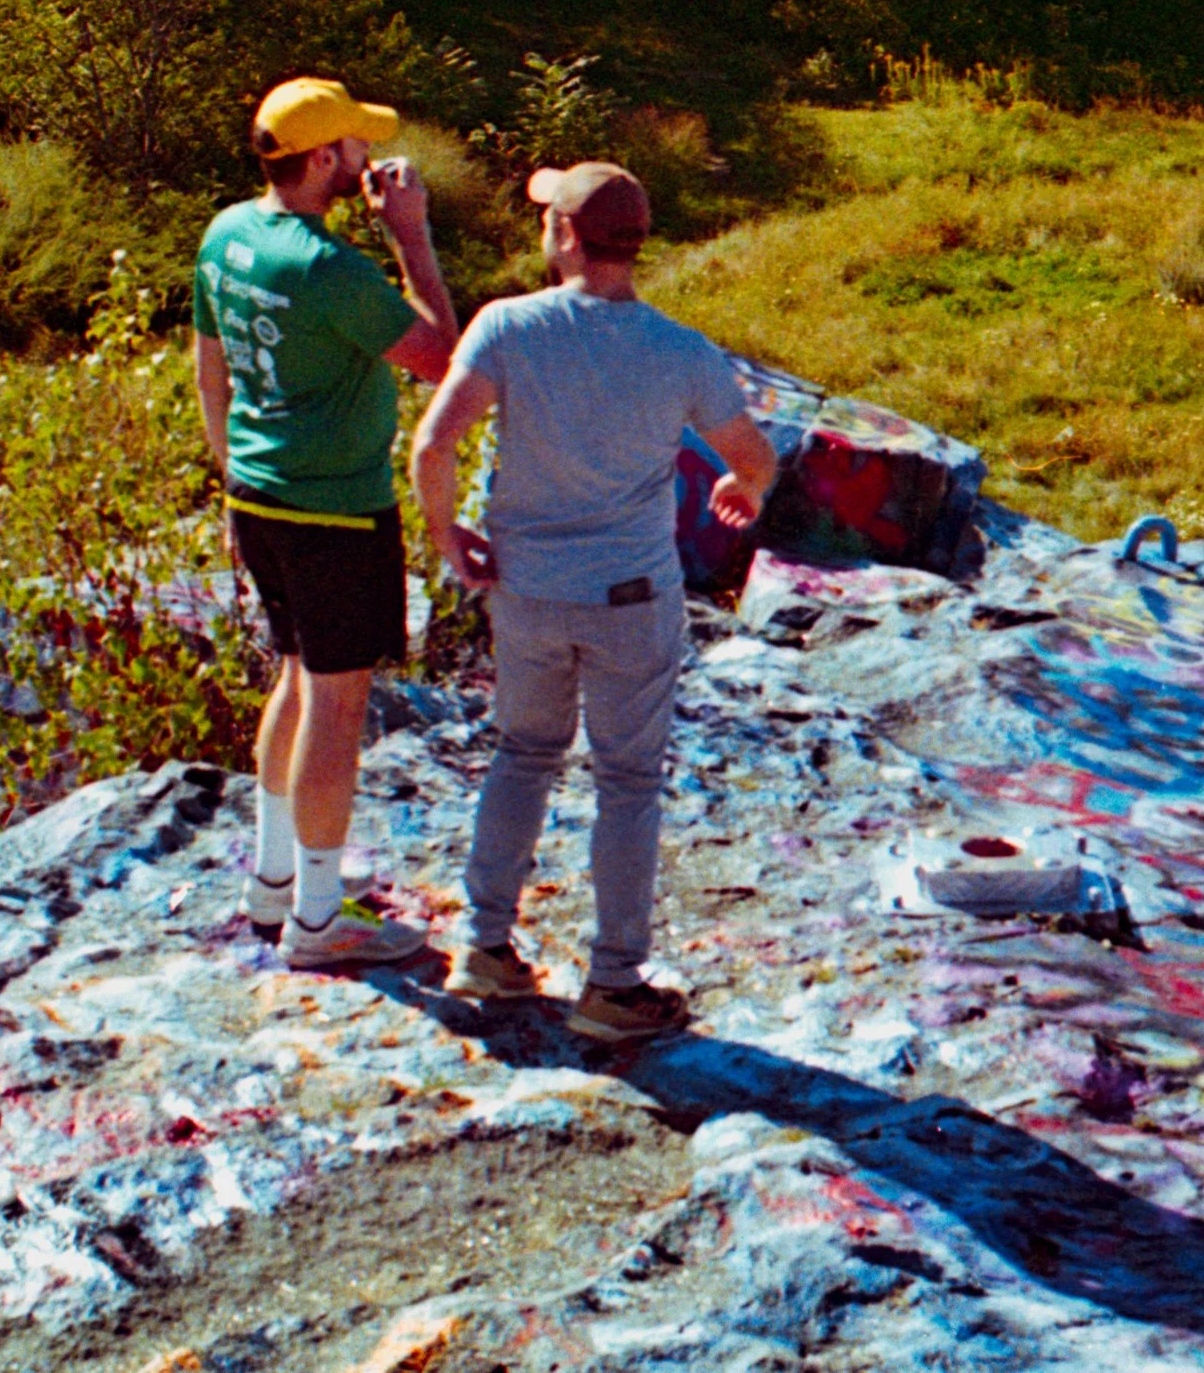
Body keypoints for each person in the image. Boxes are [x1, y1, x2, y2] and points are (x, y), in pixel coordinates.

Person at [410, 160, 777, 1037]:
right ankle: (613, 986)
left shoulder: (507, 327)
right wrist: (743, 492)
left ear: (565, 236)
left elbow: (433, 444)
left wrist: (445, 535)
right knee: (628, 781)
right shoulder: (681, 350)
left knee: (523, 754)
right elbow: (755, 457)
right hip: (633, 600)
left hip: (527, 593)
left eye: (548, 219)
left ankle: (485, 948)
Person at [194, 78, 459, 969]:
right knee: (338, 707)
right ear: (322, 161)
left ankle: (271, 884)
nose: (367, 160)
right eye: (353, 148)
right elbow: (443, 361)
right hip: (338, 510)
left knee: (298, 677)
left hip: (259, 493)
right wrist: (412, 237)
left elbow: (211, 364)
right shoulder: (330, 270)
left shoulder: (228, 233)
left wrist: (233, 475)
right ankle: (317, 919)